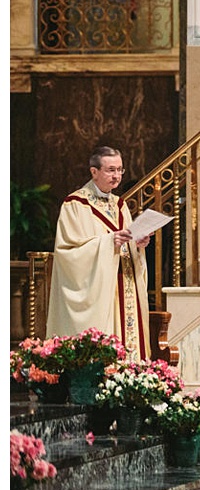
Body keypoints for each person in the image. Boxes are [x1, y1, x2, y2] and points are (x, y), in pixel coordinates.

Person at [46, 146, 152, 359]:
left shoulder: (120, 205)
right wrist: (107, 243)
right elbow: (68, 251)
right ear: (94, 172)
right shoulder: (75, 204)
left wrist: (138, 244)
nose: (117, 176)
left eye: (120, 170)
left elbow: (128, 239)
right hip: (100, 288)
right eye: (110, 170)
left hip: (125, 284)